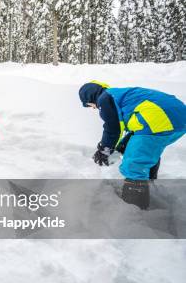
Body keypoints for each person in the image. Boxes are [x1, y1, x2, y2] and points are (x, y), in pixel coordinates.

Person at [79, 81, 185, 209]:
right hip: (178, 119)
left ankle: (134, 212)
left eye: (90, 105)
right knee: (147, 153)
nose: (94, 108)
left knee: (134, 164)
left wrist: (104, 150)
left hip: (157, 119)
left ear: (90, 97)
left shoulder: (104, 99)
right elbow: (132, 125)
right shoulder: (119, 95)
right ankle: (150, 188)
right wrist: (122, 145)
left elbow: (112, 128)